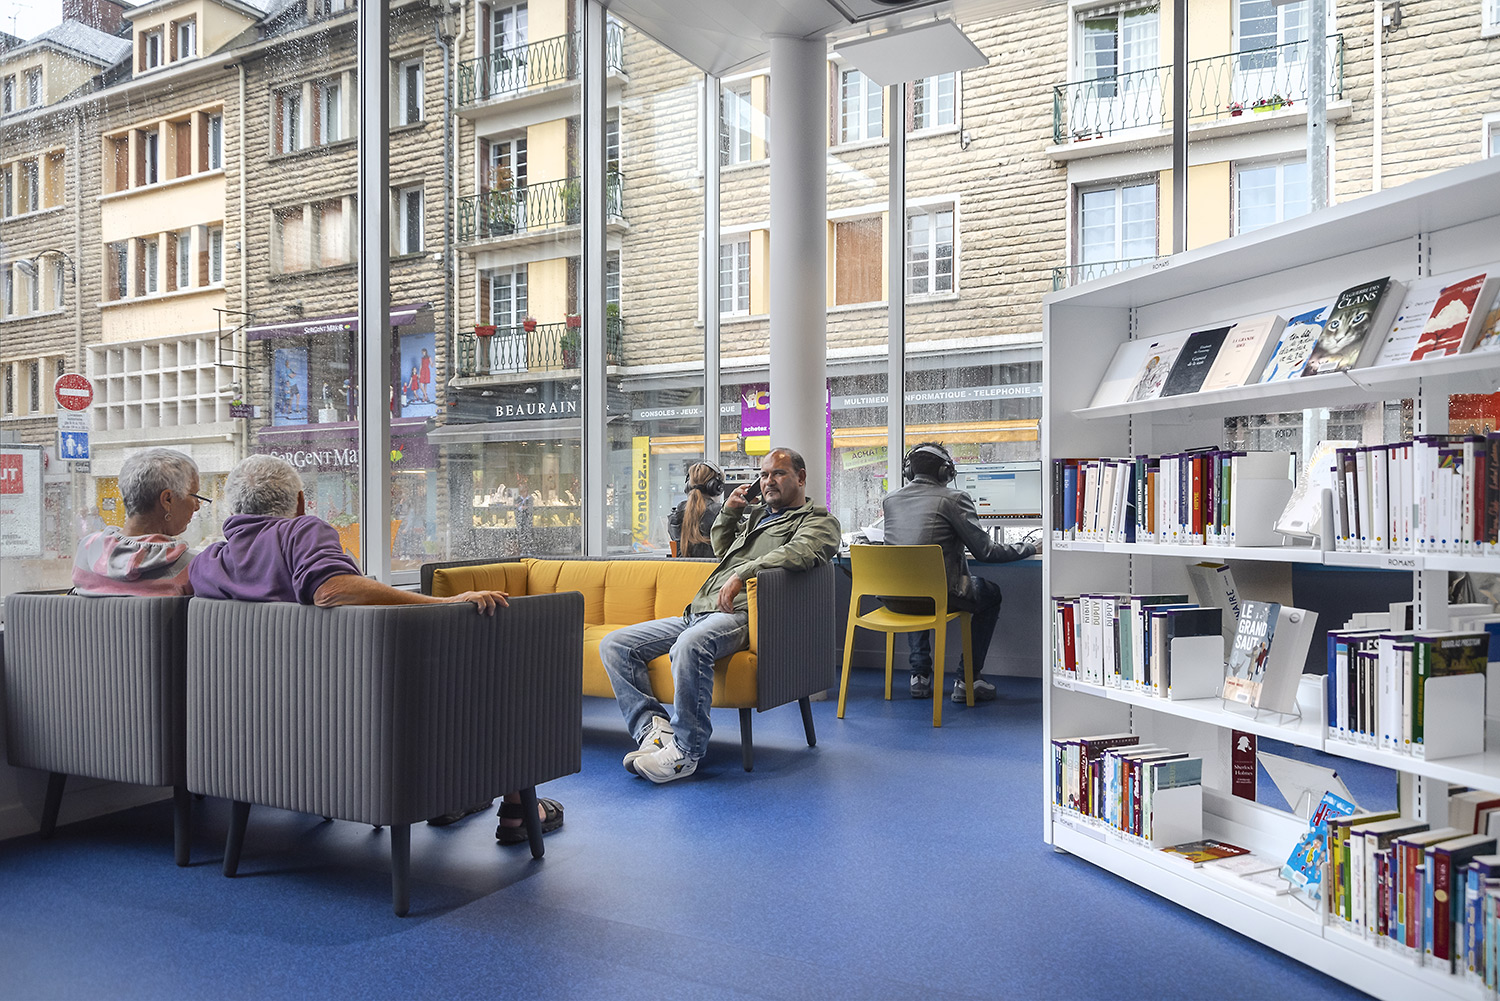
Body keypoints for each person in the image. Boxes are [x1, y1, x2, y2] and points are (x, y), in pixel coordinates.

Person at [188, 454, 559, 843]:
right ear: (299, 502)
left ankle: (455, 796)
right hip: (354, 715)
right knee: (501, 673)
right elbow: (330, 589)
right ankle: (517, 808)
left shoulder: (207, 563)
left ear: (233, 509)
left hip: (262, 726)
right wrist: (444, 603)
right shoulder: (300, 531)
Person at [600, 447, 841, 784]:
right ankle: (654, 731)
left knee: (690, 644)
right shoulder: (757, 517)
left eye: (778, 473)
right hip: (702, 609)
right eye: (764, 474)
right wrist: (729, 513)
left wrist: (745, 573)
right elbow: (723, 551)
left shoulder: (818, 521)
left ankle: (686, 752)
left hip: (744, 614)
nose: (768, 481)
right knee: (616, 644)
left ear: (801, 478)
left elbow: (801, 552)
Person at [881, 442, 1037, 703]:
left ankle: (919, 676)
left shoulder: (890, 500)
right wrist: (1030, 546)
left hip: (894, 598)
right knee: (991, 594)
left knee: (915, 582)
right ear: (946, 472)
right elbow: (986, 552)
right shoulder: (953, 499)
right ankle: (968, 680)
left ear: (909, 471)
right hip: (940, 596)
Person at [72, 447, 203, 596]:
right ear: (167, 500)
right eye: (195, 496)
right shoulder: (192, 566)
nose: (197, 506)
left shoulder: (87, 549)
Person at [667, 460, 724, 558]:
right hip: (716, 567)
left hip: (686, 568)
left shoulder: (676, 515)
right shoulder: (721, 513)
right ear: (716, 487)